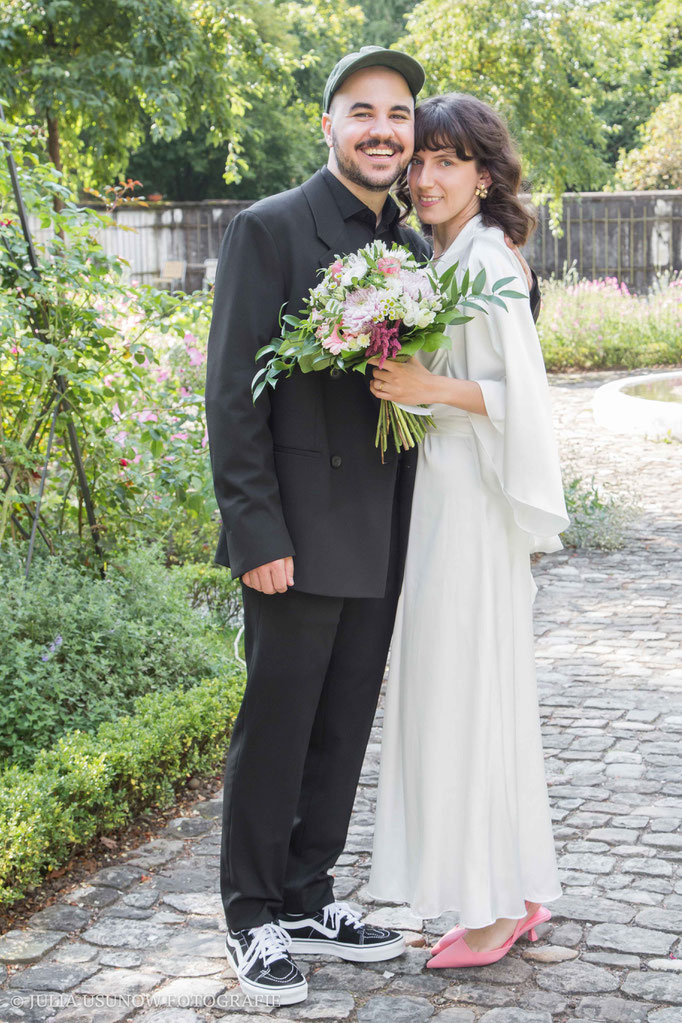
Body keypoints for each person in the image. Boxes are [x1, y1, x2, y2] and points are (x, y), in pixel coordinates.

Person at [205, 46, 432, 1006]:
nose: (384, 129)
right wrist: (256, 533)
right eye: (363, 111)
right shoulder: (271, 228)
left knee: (342, 728)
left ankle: (307, 893)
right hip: (294, 537)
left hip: (382, 532)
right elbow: (230, 398)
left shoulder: (415, 251)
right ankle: (251, 914)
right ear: (328, 124)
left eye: (399, 115)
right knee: (280, 726)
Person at [366, 93, 570, 968]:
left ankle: (495, 909)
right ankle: (513, 888)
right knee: (467, 692)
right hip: (441, 499)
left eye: (448, 160)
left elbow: (524, 400)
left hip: (471, 504)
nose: (427, 176)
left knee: (469, 693)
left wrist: (430, 389)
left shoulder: (487, 260)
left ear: (484, 174)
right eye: (421, 161)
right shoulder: (447, 255)